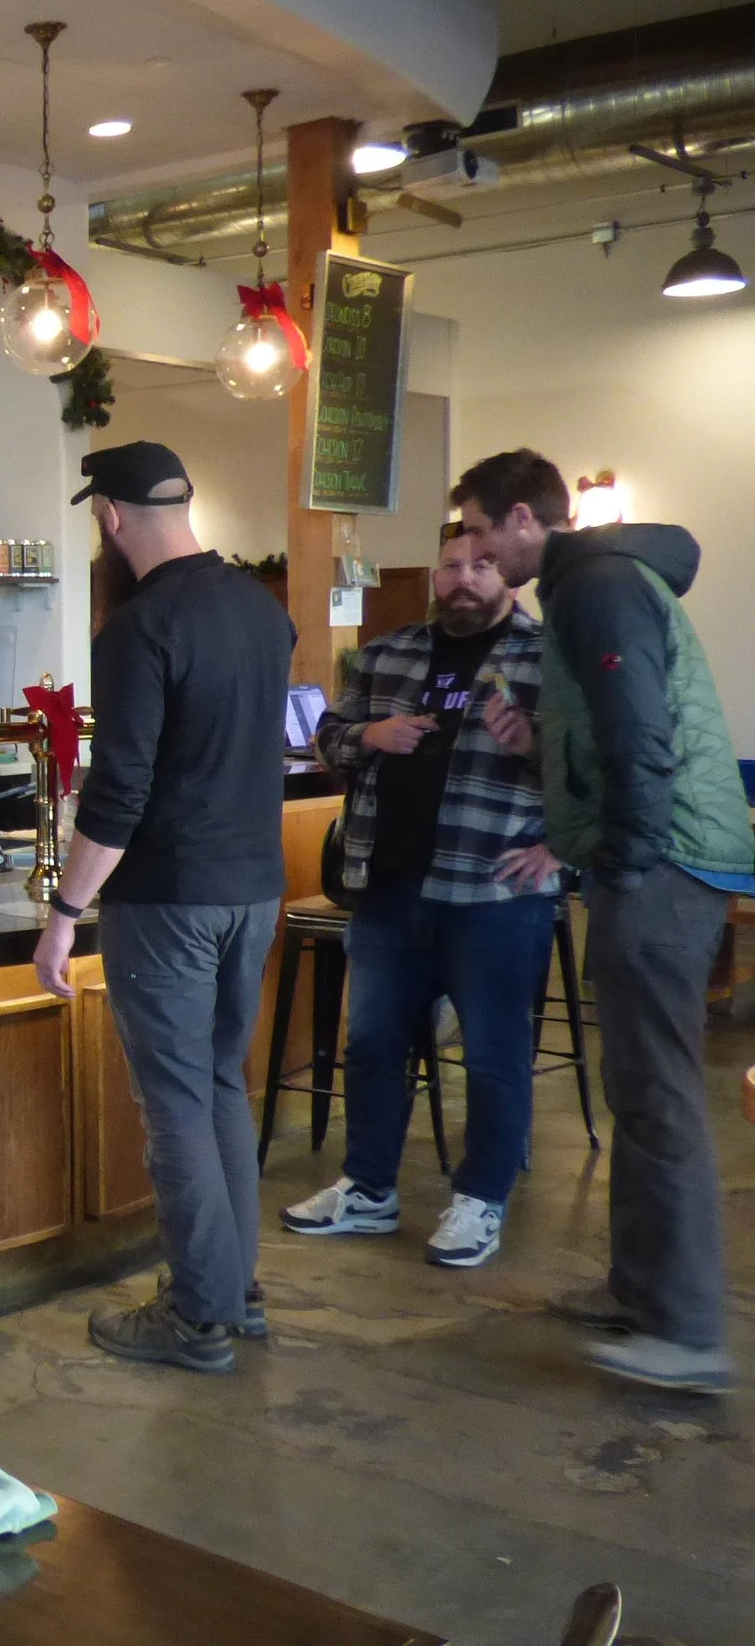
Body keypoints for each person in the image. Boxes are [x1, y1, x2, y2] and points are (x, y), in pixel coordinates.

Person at [453, 448, 748, 1394]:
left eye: (483, 532)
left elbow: (637, 731)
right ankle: (640, 1286)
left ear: (524, 521)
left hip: (663, 865)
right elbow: (602, 731)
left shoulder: (595, 587)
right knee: (636, 1085)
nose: (479, 552)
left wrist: (619, 858)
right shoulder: (596, 582)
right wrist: (543, 747)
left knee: (659, 1094)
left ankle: (690, 1331)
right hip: (661, 857)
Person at [30, 441, 293, 1373]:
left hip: (169, 899)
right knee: (223, 1085)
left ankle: (196, 1315)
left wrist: (66, 909)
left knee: (176, 1104)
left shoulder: (141, 627)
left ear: (107, 515)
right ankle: (235, 1290)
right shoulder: (264, 611)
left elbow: (120, 790)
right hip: (254, 890)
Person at [281, 527, 558, 1267]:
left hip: (492, 889)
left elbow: (587, 766)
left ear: (509, 572)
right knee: (371, 1043)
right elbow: (328, 736)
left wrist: (533, 747)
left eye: (481, 563)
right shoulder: (388, 651)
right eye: (452, 565)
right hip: (390, 880)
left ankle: (480, 1199)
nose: (464, 578)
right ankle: (368, 1188)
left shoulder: (544, 656)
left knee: (494, 1054)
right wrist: (371, 733)